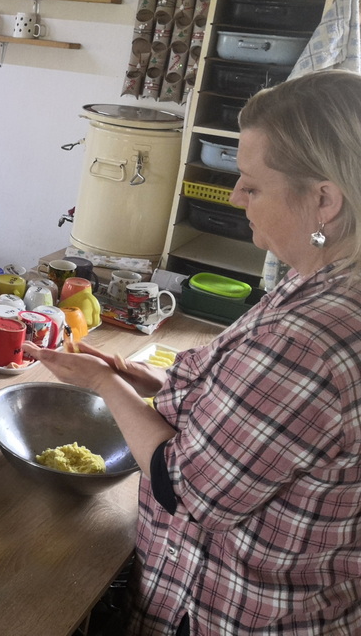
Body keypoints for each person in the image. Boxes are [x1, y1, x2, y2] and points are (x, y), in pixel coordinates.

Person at [25, 69, 361, 636]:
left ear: (324, 199)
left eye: (252, 186)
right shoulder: (322, 282)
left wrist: (105, 385)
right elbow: (261, 417)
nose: (235, 197)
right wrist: (144, 379)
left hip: (238, 614)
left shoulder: (308, 339)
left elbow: (182, 487)